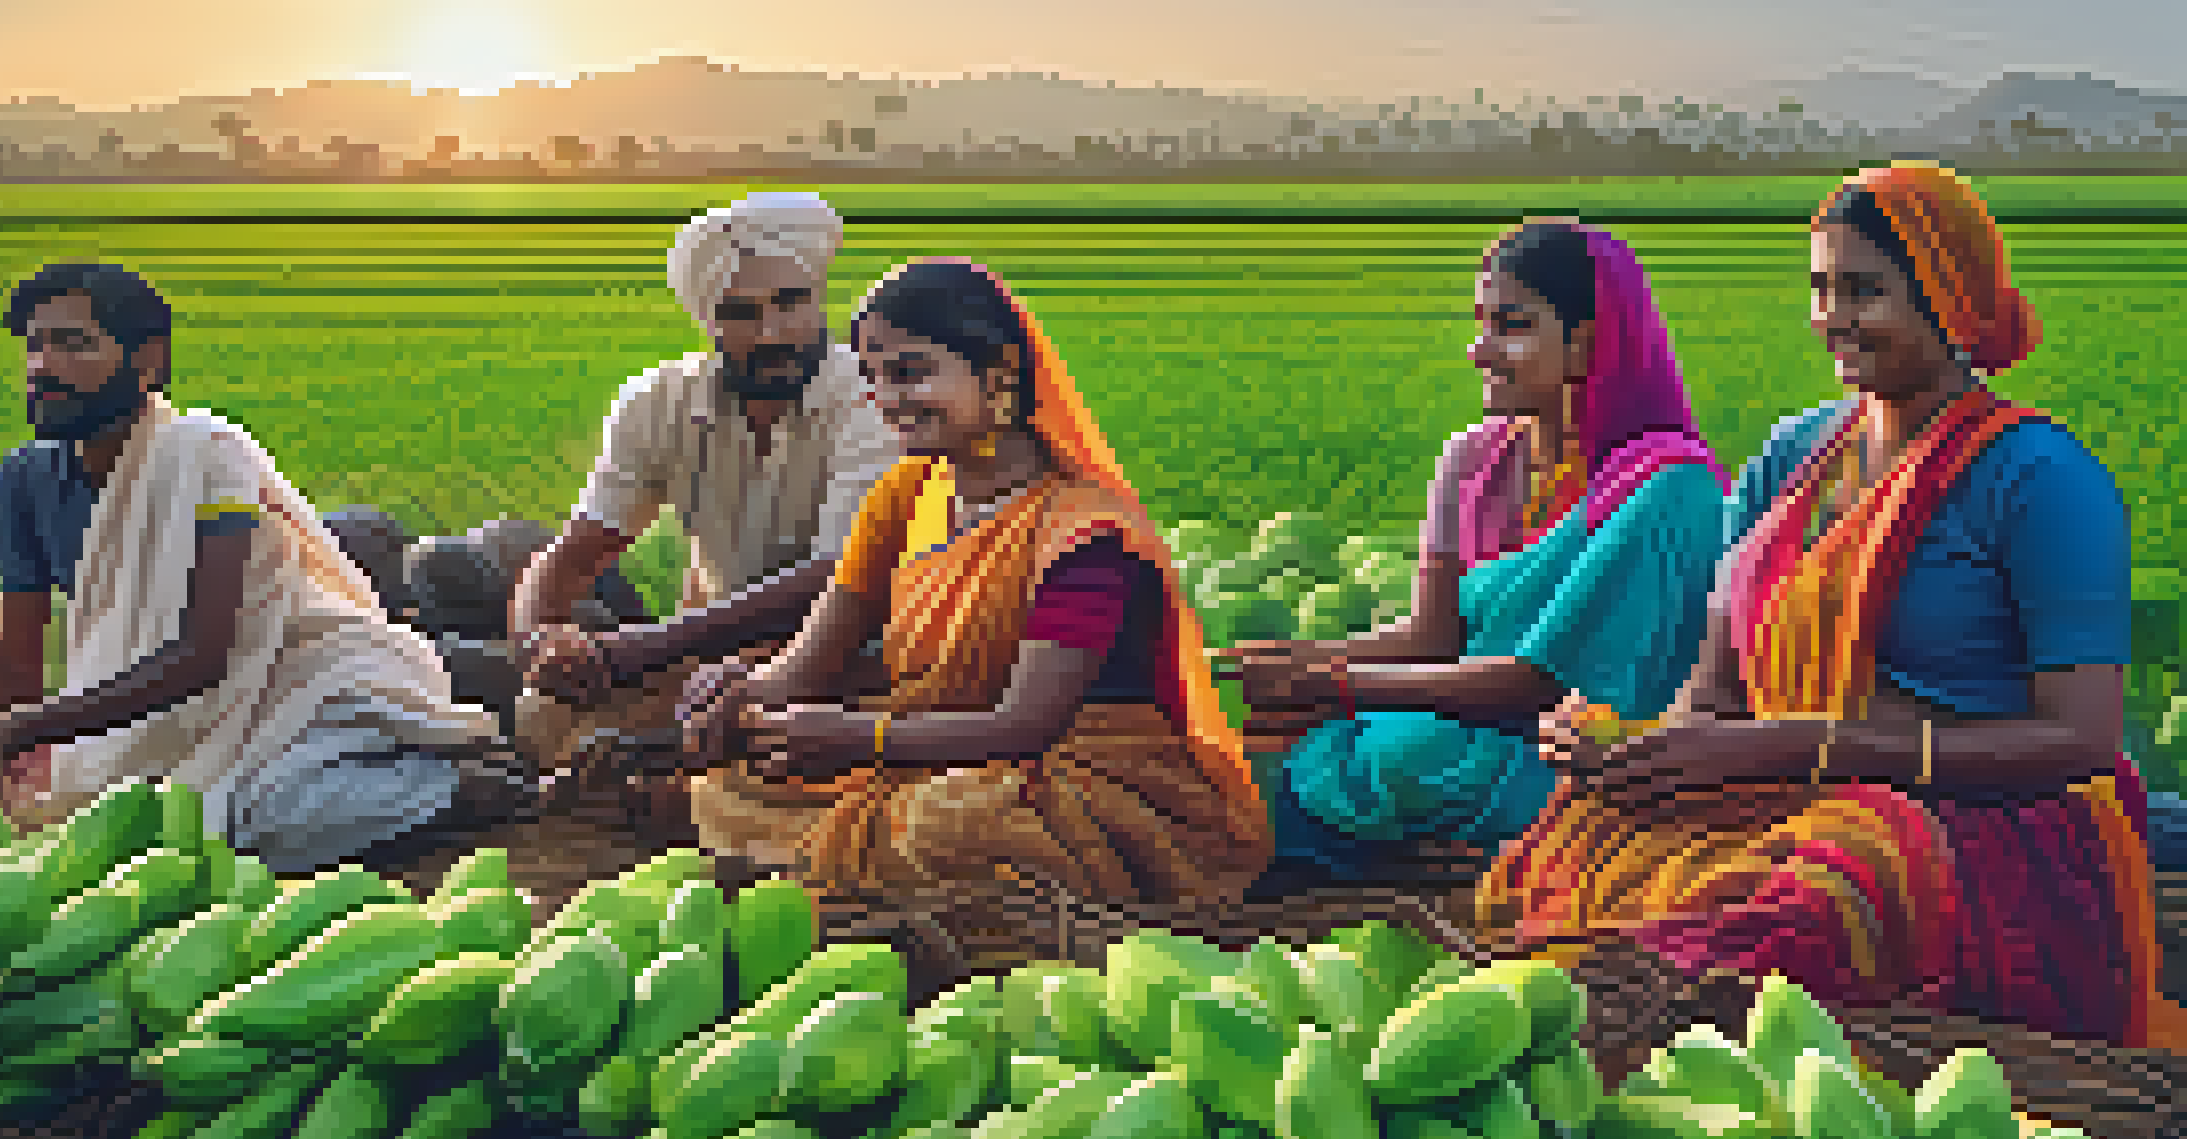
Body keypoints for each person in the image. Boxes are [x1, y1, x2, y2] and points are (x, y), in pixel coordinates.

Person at [1479, 163, 2183, 1052]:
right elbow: (1717, 692)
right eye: (1820, 289)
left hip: (1971, 824)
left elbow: (2079, 740)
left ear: (1952, 299)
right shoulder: (1793, 460)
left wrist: (1805, 744)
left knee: (1795, 919)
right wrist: (1632, 750)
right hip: (1783, 788)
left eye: (1864, 291)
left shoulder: (2039, 479)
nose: (1833, 319)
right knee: (1591, 838)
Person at [673, 258, 1271, 904]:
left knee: (948, 827)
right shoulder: (901, 497)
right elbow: (807, 666)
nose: (886, 400)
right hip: (923, 743)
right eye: (872, 378)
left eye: (910, 373)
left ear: (1000, 374)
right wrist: (745, 697)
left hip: (1074, 767)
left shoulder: (1083, 535)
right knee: (732, 781)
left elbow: (1023, 727)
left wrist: (860, 740)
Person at [0, 261, 521, 875]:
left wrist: (20, 730)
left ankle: (465, 786)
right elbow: (13, 659)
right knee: (121, 821)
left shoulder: (207, 455)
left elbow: (207, 653)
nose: (42, 367)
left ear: (148, 361)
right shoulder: (22, 484)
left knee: (246, 819)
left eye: (73, 343)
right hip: (158, 715)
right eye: (35, 345)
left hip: (296, 678)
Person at [1214, 222, 1729, 900]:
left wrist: (1339, 687)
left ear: (1585, 343)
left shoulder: (1667, 487)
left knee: (1399, 758)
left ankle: (1394, 868)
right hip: (1462, 720)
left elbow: (1540, 682)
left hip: (1577, 753)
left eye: (1511, 326)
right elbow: (1433, 637)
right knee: (1289, 747)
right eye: (1480, 324)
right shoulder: (1473, 462)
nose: (1479, 350)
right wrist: (1301, 659)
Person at [511, 193, 901, 830]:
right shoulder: (656, 402)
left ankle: (683, 791)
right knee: (543, 714)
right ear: (708, 319)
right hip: (707, 657)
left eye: (790, 304)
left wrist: (637, 648)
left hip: (847, 658)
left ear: (818, 293)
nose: (772, 333)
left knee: (783, 740)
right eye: (741, 314)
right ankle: (671, 781)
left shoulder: (872, 399)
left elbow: (841, 575)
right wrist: (539, 642)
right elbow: (576, 552)